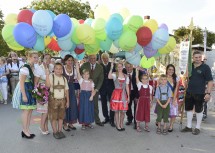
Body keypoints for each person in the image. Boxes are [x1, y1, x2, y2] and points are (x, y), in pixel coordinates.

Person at [181, 51, 213, 135]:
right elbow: (185, 78)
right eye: (196, 57)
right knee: (189, 109)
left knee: (199, 110)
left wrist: (208, 93)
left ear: (201, 58)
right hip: (189, 91)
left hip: (200, 92)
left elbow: (210, 81)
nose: (198, 59)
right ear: (193, 58)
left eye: (199, 57)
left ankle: (198, 127)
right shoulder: (190, 66)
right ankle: (188, 126)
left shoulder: (205, 67)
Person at [12, 51, 39, 139]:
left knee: (30, 111)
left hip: (30, 89)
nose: (36, 59)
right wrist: (24, 95)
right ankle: (24, 130)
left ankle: (27, 130)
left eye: (37, 57)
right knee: (26, 111)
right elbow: (22, 83)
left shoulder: (33, 67)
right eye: (34, 57)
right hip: (25, 89)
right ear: (29, 57)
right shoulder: (25, 68)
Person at [45, 63, 69, 139]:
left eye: (60, 69)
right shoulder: (51, 76)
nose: (58, 70)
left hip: (62, 100)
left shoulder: (64, 79)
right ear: (54, 69)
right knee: (54, 117)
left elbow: (66, 91)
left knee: (61, 117)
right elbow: (48, 86)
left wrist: (68, 101)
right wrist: (47, 75)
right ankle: (55, 132)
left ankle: (60, 130)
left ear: (62, 70)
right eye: (57, 68)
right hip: (53, 100)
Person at [81, 54, 104, 126]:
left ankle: (97, 120)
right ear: (89, 59)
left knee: (95, 106)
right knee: (85, 106)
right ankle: (85, 121)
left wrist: (96, 89)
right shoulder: (84, 65)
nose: (93, 59)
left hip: (94, 89)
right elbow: (80, 75)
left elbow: (101, 79)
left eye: (94, 58)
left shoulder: (100, 67)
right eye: (91, 58)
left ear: (96, 58)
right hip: (85, 90)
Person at [34, 53, 53, 135]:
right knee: (44, 111)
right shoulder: (39, 68)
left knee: (47, 111)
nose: (48, 60)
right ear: (42, 59)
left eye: (49, 58)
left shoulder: (51, 67)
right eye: (46, 58)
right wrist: (38, 94)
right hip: (42, 90)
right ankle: (41, 126)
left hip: (50, 90)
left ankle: (46, 127)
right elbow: (35, 82)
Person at [108, 62, 130, 131]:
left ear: (123, 67)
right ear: (116, 68)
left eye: (121, 66)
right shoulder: (115, 75)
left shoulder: (126, 76)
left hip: (123, 94)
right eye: (118, 67)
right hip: (116, 94)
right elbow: (109, 76)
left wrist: (128, 96)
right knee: (117, 111)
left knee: (123, 111)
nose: (120, 68)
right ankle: (117, 125)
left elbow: (127, 87)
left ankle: (121, 124)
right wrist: (111, 67)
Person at [76, 62, 96, 130]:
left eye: (87, 74)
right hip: (83, 96)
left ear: (89, 75)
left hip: (89, 96)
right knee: (83, 109)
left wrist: (92, 96)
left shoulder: (91, 82)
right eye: (84, 74)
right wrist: (76, 65)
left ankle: (89, 123)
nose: (86, 75)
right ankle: (83, 123)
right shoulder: (81, 81)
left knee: (89, 109)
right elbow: (78, 74)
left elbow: (93, 90)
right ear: (82, 75)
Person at [62, 55, 78, 131]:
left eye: (71, 60)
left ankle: (70, 123)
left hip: (71, 88)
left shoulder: (74, 69)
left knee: (72, 105)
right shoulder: (62, 68)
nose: (70, 62)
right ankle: (64, 123)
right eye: (68, 60)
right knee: (65, 105)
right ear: (65, 61)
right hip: (63, 88)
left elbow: (77, 78)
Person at [100, 53, 115, 127]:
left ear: (108, 58)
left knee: (112, 103)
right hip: (102, 87)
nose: (105, 60)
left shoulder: (112, 65)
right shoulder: (99, 65)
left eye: (106, 58)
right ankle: (106, 117)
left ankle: (112, 119)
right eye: (104, 58)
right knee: (103, 103)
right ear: (102, 59)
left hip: (111, 87)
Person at [123, 62, 139, 129]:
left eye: (129, 67)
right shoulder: (123, 71)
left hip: (135, 92)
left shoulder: (138, 72)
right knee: (127, 106)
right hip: (127, 92)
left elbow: (140, 85)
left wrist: (137, 96)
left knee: (136, 107)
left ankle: (136, 122)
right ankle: (130, 118)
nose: (128, 68)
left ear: (132, 66)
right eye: (126, 67)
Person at [166, 64, 179, 132]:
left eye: (172, 70)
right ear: (167, 70)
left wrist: (174, 99)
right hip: (165, 98)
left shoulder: (176, 78)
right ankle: (159, 121)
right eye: (169, 69)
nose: (171, 71)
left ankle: (171, 125)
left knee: (173, 112)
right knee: (163, 112)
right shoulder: (163, 77)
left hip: (172, 97)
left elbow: (176, 89)